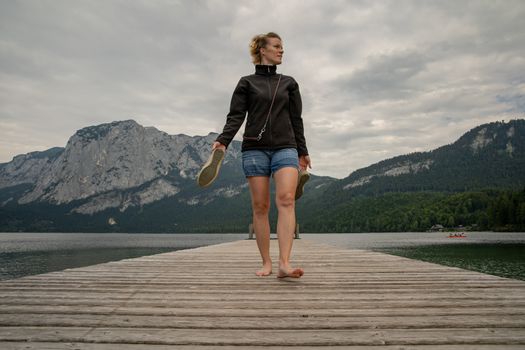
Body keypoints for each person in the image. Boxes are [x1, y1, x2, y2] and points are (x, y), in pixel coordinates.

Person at [213, 32, 312, 278]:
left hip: (285, 147)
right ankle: (267, 262)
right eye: (277, 46)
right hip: (254, 149)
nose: (281, 51)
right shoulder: (246, 83)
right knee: (260, 206)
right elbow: (236, 116)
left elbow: (296, 119)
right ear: (262, 50)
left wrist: (303, 151)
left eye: (282, 47)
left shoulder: (289, 82)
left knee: (287, 199)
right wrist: (224, 141)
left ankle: (284, 264)